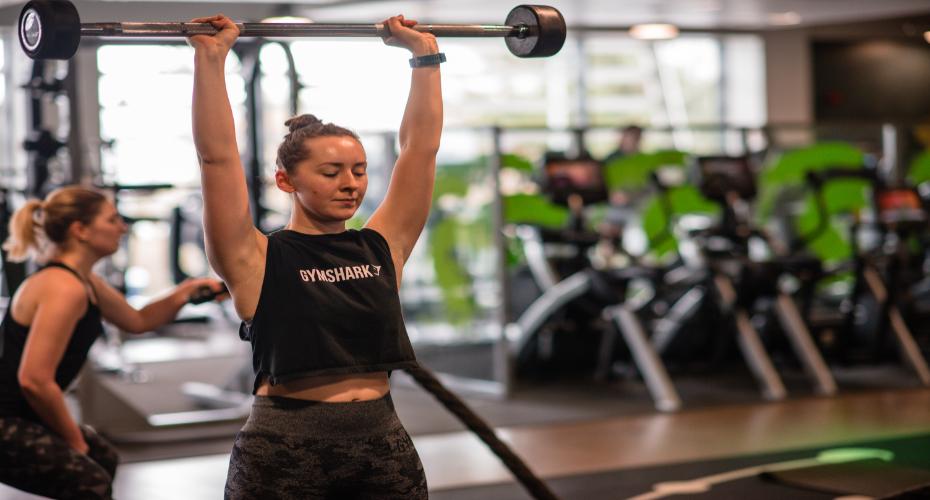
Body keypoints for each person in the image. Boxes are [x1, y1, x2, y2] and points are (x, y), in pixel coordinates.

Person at [188, 12, 441, 499]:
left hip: (382, 444)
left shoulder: (382, 245)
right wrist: (210, 59)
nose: (350, 184)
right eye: (331, 172)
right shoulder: (254, 258)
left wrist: (424, 55)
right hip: (284, 450)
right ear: (286, 180)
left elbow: (419, 151)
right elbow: (216, 159)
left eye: (359, 170)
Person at [0, 186, 226, 499]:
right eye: (112, 219)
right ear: (80, 230)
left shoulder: (84, 280)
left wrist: (186, 291)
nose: (122, 227)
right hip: (5, 422)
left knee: (103, 458)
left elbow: (138, 321)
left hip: (19, 417)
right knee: (88, 479)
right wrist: (74, 441)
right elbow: (34, 380)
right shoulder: (63, 287)